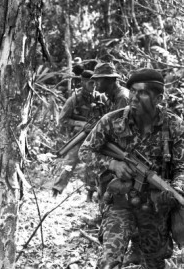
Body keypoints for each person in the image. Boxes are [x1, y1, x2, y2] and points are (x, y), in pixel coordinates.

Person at [79, 68, 184, 269]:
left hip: (154, 208)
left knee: (154, 263)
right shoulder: (111, 121)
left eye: (142, 93)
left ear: (158, 98)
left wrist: (177, 189)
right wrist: (112, 164)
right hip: (119, 203)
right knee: (110, 260)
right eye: (132, 91)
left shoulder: (174, 126)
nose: (134, 97)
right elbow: (86, 151)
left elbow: (182, 165)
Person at [52, 69, 105, 199]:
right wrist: (80, 124)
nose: (93, 86)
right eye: (90, 83)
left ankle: (90, 195)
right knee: (70, 163)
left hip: (96, 137)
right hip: (79, 137)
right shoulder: (74, 100)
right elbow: (63, 120)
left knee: (93, 165)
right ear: (83, 82)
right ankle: (56, 190)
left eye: (95, 83)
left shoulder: (101, 98)